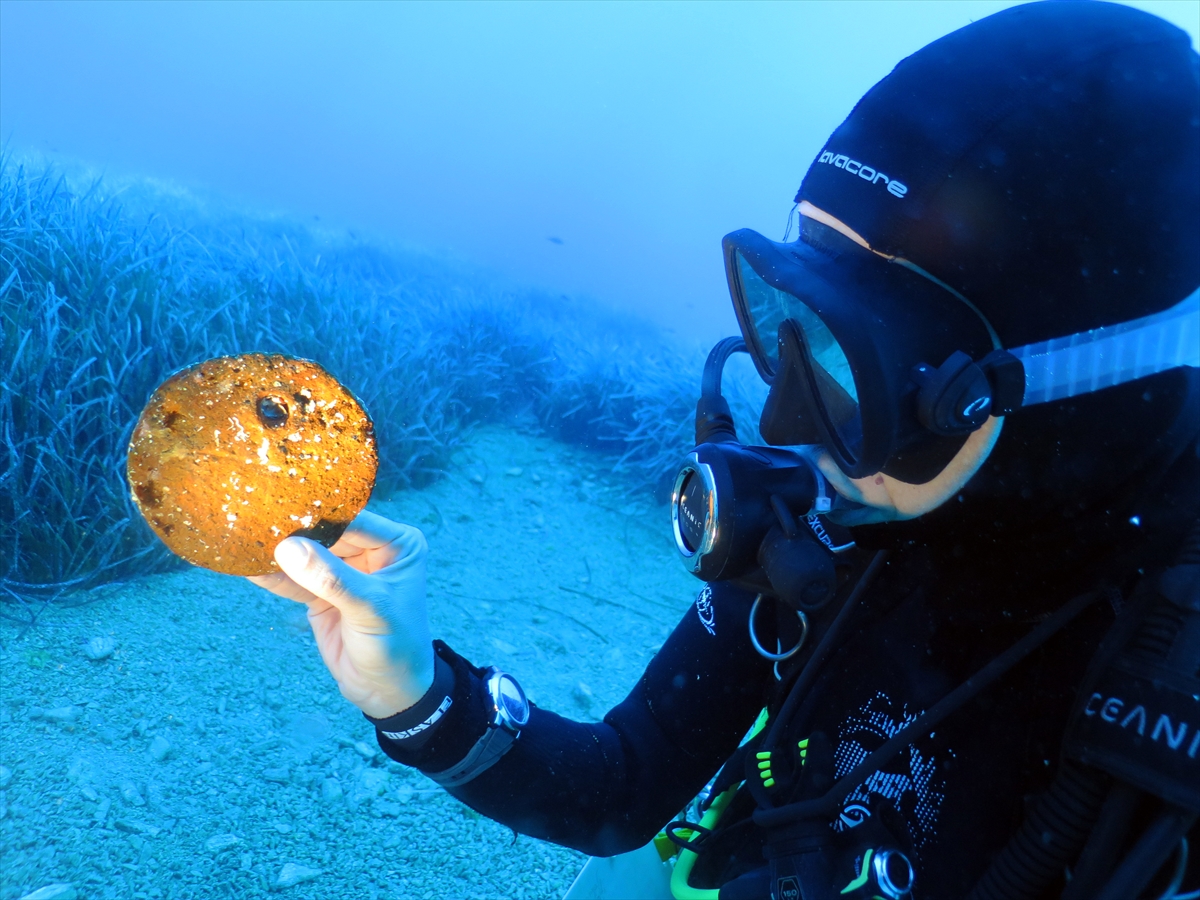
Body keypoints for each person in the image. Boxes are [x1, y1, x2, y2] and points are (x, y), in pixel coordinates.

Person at [250, 3, 1200, 898]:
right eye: (793, 316)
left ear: (1068, 396)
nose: (786, 423)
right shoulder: (837, 528)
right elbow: (622, 786)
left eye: (859, 364)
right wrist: (415, 693)